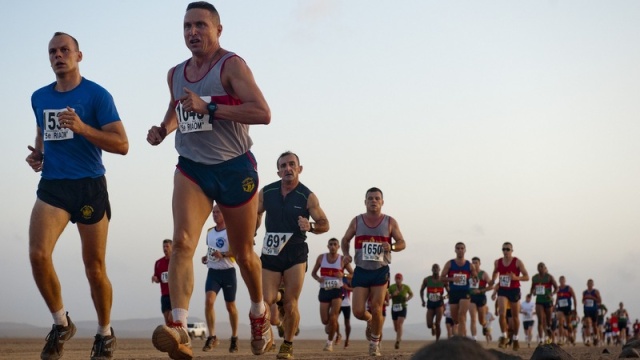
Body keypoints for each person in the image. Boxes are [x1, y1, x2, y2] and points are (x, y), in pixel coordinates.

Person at [146, 2, 272, 359]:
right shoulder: (175, 73)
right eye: (187, 26)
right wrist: (162, 129)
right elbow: (177, 109)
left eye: (201, 25)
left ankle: (259, 312)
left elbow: (262, 113)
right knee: (184, 242)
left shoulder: (231, 65)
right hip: (193, 168)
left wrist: (211, 107)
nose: (193, 32)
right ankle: (180, 328)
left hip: (235, 168)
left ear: (218, 29)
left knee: (244, 253)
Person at [27, 31, 129, 360]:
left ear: (78, 56)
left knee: (94, 268)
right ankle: (61, 324)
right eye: (53, 51)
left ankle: (104, 332)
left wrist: (83, 128)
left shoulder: (97, 95)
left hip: (89, 185)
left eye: (65, 50)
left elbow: (122, 145)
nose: (59, 55)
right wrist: (39, 154)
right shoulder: (39, 96)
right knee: (38, 255)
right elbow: (43, 128)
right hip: (54, 186)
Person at [256, 151, 329, 359]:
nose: (288, 168)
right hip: (271, 251)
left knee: (291, 303)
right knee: (267, 299)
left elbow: (325, 224)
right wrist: (252, 229)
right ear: (278, 171)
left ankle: (287, 345)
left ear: (299, 169)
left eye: (292, 164)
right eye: (283, 166)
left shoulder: (307, 196)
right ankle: (277, 297)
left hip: (295, 251)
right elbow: (256, 213)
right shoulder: (267, 192)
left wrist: (311, 226)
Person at [341, 187, 407, 357]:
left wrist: (391, 246)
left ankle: (374, 342)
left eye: (377, 198)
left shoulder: (390, 222)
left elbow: (402, 242)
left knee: (377, 307)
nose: (374, 201)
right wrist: (347, 254)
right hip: (362, 270)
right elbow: (345, 239)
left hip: (380, 271)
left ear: (382, 202)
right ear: (365, 202)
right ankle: (369, 320)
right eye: (370, 198)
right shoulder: (357, 221)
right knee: (357, 311)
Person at [200, 205, 239, 353]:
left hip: (228, 272)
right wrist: (206, 257)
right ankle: (212, 336)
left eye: (218, 212)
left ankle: (234, 337)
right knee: (209, 302)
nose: (215, 215)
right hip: (213, 272)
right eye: (213, 212)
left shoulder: (231, 230)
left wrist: (222, 255)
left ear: (224, 214)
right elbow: (210, 249)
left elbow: (237, 250)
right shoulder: (210, 232)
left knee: (230, 306)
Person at [310, 237, 352, 352]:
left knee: (333, 317)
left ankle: (329, 343)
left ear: (338, 247)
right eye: (331, 244)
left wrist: (343, 275)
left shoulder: (342, 259)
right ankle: (333, 329)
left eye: (335, 244)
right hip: (324, 290)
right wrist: (318, 278)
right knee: (325, 320)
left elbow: (353, 275)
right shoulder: (321, 258)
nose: (333, 246)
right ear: (328, 246)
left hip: (337, 291)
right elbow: (313, 273)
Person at [491, 242, 529, 351]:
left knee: (515, 316)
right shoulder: (498, 262)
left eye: (508, 249)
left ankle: (516, 338)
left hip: (514, 290)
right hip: (503, 290)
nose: (506, 251)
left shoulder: (517, 262)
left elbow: (527, 277)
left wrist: (516, 278)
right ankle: (504, 336)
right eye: (504, 249)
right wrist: (493, 280)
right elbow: (495, 272)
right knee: (502, 314)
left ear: (512, 250)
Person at [440, 242, 475, 337]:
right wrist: (452, 279)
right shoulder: (450, 263)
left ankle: (460, 340)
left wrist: (474, 279)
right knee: (455, 319)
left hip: (465, 293)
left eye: (462, 248)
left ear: (465, 250)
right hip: (454, 293)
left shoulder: (469, 265)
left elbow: (475, 277)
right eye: (458, 248)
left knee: (462, 315)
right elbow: (441, 278)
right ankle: (463, 332)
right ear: (455, 250)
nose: (460, 250)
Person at [530, 262, 558, 345]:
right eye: (539, 267)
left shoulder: (549, 277)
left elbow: (557, 288)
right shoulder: (535, 278)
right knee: (540, 320)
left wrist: (552, 294)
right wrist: (532, 293)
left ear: (545, 268)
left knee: (548, 321)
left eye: (542, 266)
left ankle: (548, 336)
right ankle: (541, 339)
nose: (540, 268)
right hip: (539, 301)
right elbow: (532, 288)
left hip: (548, 301)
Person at [420, 264, 445, 341]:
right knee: (429, 324)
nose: (435, 269)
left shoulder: (443, 280)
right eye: (433, 268)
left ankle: (437, 341)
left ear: (439, 269)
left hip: (439, 303)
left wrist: (444, 297)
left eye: (436, 268)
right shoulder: (427, 280)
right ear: (431, 269)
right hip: (430, 303)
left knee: (438, 323)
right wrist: (423, 301)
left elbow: (450, 292)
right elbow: (421, 290)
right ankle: (432, 326)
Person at [388, 273, 414, 349]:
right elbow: (386, 297)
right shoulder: (391, 287)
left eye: (399, 279)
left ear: (402, 279)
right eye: (397, 278)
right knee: (396, 328)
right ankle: (399, 336)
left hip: (403, 307)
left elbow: (411, 294)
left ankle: (398, 341)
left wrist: (408, 298)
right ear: (395, 279)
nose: (398, 280)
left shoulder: (406, 287)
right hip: (394, 308)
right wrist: (393, 295)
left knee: (399, 324)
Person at [469, 256, 491, 341]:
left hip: (481, 297)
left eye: (476, 263)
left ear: (479, 264)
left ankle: (485, 325)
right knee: (473, 318)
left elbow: (491, 286)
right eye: (473, 263)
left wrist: (481, 290)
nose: (474, 264)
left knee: (481, 320)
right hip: (471, 297)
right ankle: (474, 339)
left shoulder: (483, 274)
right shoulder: (469, 274)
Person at [153, 240, 174, 325]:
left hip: (175, 295)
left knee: (172, 317)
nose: (165, 249)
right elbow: (158, 278)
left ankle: (178, 334)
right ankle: (169, 337)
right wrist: (155, 278)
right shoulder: (158, 263)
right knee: (167, 320)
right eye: (164, 247)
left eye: (167, 246)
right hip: (164, 294)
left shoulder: (176, 261)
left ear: (172, 247)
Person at [555, 275, 577, 345]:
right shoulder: (558, 288)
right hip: (560, 308)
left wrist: (575, 308)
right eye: (560, 280)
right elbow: (557, 298)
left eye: (563, 280)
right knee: (560, 323)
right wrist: (555, 306)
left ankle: (570, 335)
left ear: (564, 281)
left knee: (568, 324)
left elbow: (574, 298)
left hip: (568, 308)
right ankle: (561, 339)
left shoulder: (569, 288)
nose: (561, 282)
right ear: (559, 281)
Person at [581, 279, 602, 346]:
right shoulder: (584, 292)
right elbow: (582, 300)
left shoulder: (595, 291)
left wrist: (592, 298)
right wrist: (584, 301)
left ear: (593, 284)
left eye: (591, 284)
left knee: (594, 325)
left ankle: (596, 337)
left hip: (594, 310)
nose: (589, 285)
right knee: (587, 323)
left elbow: (599, 301)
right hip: (587, 310)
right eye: (588, 283)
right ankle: (588, 339)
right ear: (587, 284)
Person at [335, 274, 353, 348]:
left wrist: (347, 288)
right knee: (334, 320)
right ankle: (338, 335)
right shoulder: (334, 276)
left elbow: (354, 288)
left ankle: (347, 340)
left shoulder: (347, 278)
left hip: (346, 303)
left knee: (347, 323)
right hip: (337, 302)